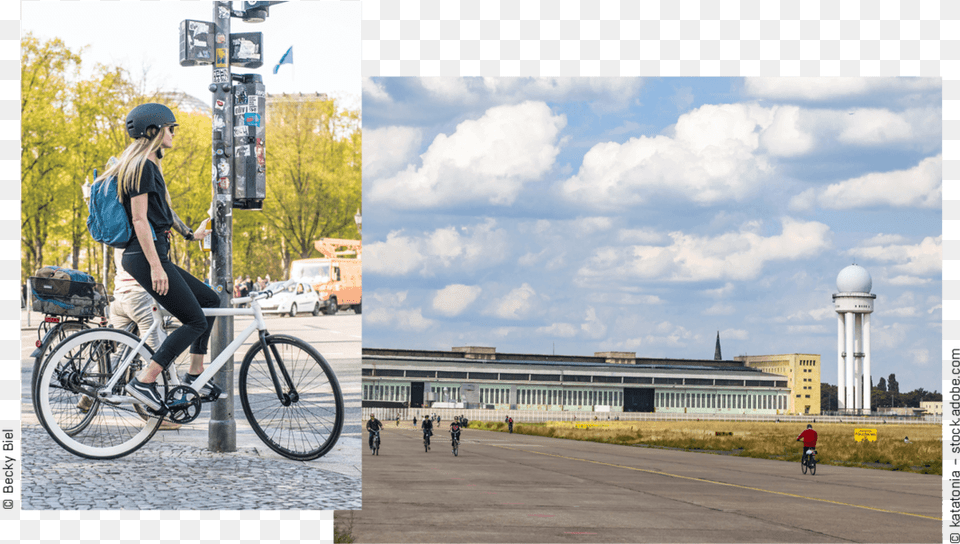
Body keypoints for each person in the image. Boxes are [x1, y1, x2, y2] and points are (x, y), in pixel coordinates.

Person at [110, 103, 219, 411]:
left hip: (150, 254)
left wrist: (189, 234)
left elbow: (163, 212)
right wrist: (156, 267)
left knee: (210, 301)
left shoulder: (147, 164)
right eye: (170, 128)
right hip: (145, 257)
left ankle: (195, 372)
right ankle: (144, 382)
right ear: (153, 131)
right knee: (195, 321)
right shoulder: (141, 167)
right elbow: (140, 219)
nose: (173, 133)